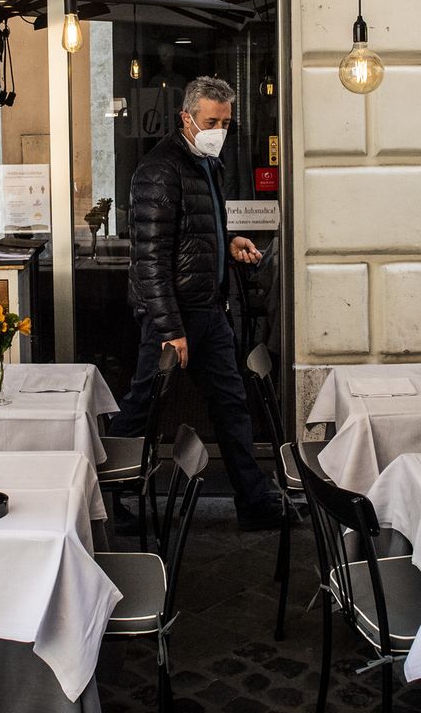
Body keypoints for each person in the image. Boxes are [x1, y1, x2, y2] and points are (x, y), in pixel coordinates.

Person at [111, 75, 284, 529]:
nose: (220, 131)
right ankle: (108, 501)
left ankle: (254, 501)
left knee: (232, 407)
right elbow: (149, 260)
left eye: (226, 122)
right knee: (143, 409)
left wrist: (227, 244)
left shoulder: (208, 163)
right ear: (186, 118)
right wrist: (171, 330)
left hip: (209, 312)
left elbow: (192, 231)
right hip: (172, 318)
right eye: (212, 121)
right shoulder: (158, 171)